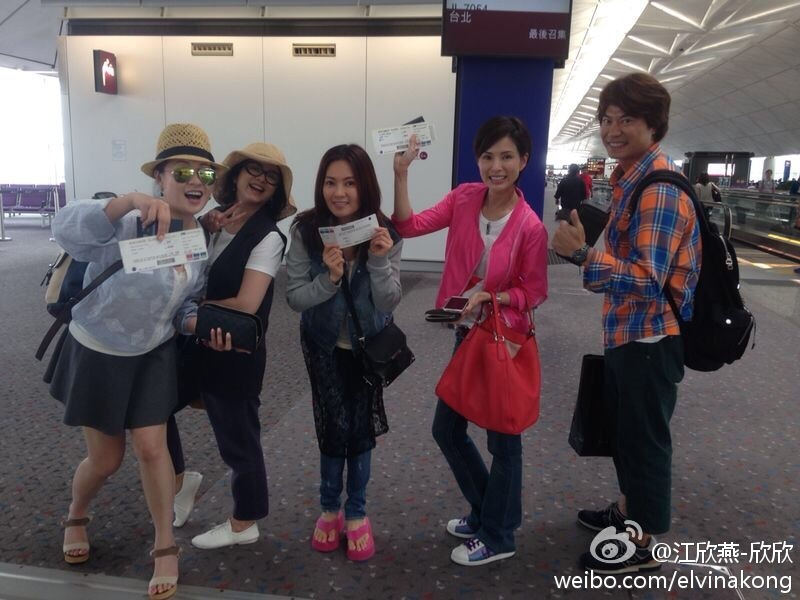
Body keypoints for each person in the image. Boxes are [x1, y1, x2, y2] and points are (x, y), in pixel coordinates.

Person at [46, 123, 224, 600]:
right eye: (182, 171)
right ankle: (76, 514)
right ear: (160, 177)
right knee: (106, 460)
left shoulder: (198, 237)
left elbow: (184, 301)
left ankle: (165, 544)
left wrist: (197, 324)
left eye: (206, 173)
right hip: (100, 349)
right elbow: (64, 228)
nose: (196, 180)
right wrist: (125, 202)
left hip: (153, 352)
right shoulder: (126, 221)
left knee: (151, 447)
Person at [552, 73, 701, 574]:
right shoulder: (632, 178)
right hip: (629, 332)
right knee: (626, 432)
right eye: (607, 120)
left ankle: (642, 541)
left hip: (651, 336)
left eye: (627, 120)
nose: (612, 131)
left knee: (644, 441)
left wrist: (582, 256)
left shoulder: (658, 189)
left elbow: (648, 280)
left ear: (654, 125)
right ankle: (627, 509)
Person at [392, 116, 548, 566]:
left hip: (501, 341)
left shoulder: (530, 227)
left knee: (504, 442)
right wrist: (401, 173)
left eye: (506, 157)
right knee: (447, 430)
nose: (496, 166)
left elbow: (534, 293)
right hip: (467, 335)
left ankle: (498, 535)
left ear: (523, 161)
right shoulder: (464, 198)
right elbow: (409, 226)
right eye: (487, 156)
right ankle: (488, 513)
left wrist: (490, 297)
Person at [166, 143, 296, 549]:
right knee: (152, 409)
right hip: (192, 344)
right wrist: (204, 229)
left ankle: (245, 521)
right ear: (235, 175)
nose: (260, 180)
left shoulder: (268, 236)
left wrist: (187, 308)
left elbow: (246, 304)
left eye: (270, 177)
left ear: (276, 190)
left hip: (233, 351)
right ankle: (181, 482)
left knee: (238, 440)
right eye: (253, 170)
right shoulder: (211, 221)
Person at [285, 144, 402, 562]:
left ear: (365, 186)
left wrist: (379, 261)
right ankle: (329, 508)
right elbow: (295, 298)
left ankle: (356, 512)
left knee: (361, 430)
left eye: (350, 183)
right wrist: (330, 279)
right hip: (323, 345)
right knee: (333, 427)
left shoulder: (384, 232)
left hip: (367, 348)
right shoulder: (306, 230)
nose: (339, 193)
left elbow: (389, 301)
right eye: (331, 182)